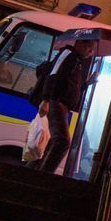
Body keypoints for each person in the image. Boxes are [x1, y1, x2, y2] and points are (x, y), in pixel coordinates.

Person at [35, 37, 95, 174]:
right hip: (56, 103)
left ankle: (35, 169)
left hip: (62, 106)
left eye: (92, 51)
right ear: (79, 43)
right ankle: (43, 175)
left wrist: (87, 83)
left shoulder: (77, 61)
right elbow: (53, 75)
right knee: (62, 141)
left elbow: (69, 86)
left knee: (53, 141)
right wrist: (46, 99)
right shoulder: (68, 54)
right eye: (89, 48)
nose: (90, 53)